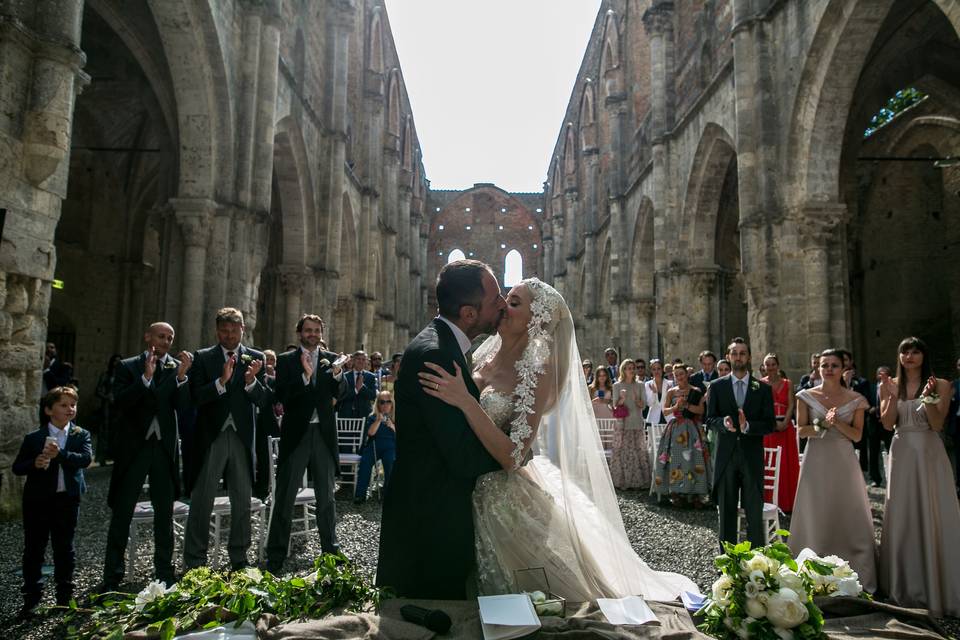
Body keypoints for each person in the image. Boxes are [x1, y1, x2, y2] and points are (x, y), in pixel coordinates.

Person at [416, 278, 697, 601]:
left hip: (499, 495)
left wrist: (466, 400)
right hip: (460, 481)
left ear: (537, 320)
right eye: (506, 299)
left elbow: (513, 456)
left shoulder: (538, 370)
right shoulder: (482, 355)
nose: (504, 306)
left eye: (515, 303)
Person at [376, 259, 504, 599]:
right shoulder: (436, 355)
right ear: (469, 314)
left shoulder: (444, 345)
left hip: (429, 513)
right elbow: (461, 456)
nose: (502, 304)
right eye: (496, 299)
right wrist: (513, 457)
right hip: (430, 524)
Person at [101, 323, 192, 591]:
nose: (165, 341)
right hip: (135, 447)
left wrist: (182, 378)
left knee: (164, 512)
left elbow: (183, 407)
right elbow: (120, 401)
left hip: (163, 448)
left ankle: (164, 571)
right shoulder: (128, 366)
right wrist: (145, 380)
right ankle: (112, 575)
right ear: (147, 336)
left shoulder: (176, 367)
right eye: (161, 336)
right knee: (123, 510)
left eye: (170, 338)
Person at [877, 337, 960, 616]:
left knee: (933, 511)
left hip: (928, 451)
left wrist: (930, 398)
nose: (909, 356)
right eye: (904, 351)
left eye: (915, 351)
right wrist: (888, 395)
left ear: (924, 356)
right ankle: (905, 586)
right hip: (901, 453)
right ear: (899, 356)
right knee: (904, 513)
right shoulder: (888, 386)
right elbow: (888, 425)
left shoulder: (942, 384)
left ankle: (938, 586)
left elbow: (937, 424)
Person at [184, 307, 268, 571]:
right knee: (202, 498)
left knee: (242, 499)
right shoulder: (204, 357)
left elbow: (264, 400)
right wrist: (221, 382)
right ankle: (196, 558)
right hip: (212, 436)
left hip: (242, 437)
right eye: (224, 330)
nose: (229, 336)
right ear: (217, 330)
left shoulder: (256, 358)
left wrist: (252, 381)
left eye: (234, 330)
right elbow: (195, 397)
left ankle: (239, 556)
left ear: (242, 329)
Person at [790, 349, 876, 592]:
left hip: (843, 460)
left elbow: (858, 436)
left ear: (843, 368)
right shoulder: (805, 395)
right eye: (824, 365)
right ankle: (810, 569)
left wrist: (837, 422)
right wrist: (821, 424)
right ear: (818, 368)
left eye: (834, 365)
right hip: (816, 459)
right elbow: (801, 431)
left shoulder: (856, 399)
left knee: (847, 510)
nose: (828, 369)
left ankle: (854, 572)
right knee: (816, 510)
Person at [265, 314, 345, 575]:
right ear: (299, 333)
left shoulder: (331, 358)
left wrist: (337, 376)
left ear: (322, 333)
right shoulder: (287, 360)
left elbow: (339, 394)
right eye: (308, 330)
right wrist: (305, 378)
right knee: (285, 496)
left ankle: (330, 552)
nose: (312, 334)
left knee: (326, 496)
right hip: (296, 434)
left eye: (316, 330)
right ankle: (276, 555)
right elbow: (281, 395)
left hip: (323, 433)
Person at [12, 387, 92, 616]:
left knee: (64, 548)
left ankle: (64, 598)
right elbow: (18, 467)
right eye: (64, 405)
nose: (70, 409)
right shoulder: (34, 438)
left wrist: (62, 455)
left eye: (73, 405)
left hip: (67, 499)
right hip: (38, 500)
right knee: (34, 548)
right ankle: (31, 598)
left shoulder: (80, 434)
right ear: (49, 410)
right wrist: (34, 464)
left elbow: (85, 459)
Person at [705, 337, 776, 549]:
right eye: (734, 353)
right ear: (728, 357)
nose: (738, 357)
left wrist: (748, 427)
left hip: (751, 455)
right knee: (726, 510)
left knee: (754, 511)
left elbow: (770, 424)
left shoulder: (761, 389)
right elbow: (709, 420)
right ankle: (728, 561)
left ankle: (757, 563)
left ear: (749, 357)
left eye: (742, 353)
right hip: (726, 455)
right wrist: (723, 423)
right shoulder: (717, 387)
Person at [653, 363, 710, 507]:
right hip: (676, 428)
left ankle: (696, 494)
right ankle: (676, 493)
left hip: (692, 428)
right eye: (676, 374)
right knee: (677, 461)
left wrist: (687, 406)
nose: (679, 377)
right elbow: (665, 411)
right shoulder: (671, 391)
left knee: (695, 460)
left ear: (687, 374)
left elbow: (701, 411)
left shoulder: (695, 390)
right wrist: (675, 407)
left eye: (681, 374)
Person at [759, 353, 799, 512]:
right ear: (763, 367)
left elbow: (791, 404)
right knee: (769, 464)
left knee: (786, 464)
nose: (770, 368)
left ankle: (788, 503)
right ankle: (769, 502)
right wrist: (773, 423)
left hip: (785, 427)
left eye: (773, 364)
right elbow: (759, 406)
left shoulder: (788, 383)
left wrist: (785, 422)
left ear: (778, 365)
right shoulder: (759, 384)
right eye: (767, 365)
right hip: (769, 428)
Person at [610, 359, 649, 490]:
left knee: (638, 451)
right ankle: (623, 481)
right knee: (624, 452)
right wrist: (621, 398)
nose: (631, 370)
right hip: (622, 423)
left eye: (633, 368)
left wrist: (636, 399)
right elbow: (615, 405)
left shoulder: (640, 385)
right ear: (623, 370)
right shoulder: (617, 385)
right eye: (628, 368)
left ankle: (638, 482)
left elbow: (643, 405)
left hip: (636, 421)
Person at [354, 390, 398, 503]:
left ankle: (388, 494)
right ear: (378, 404)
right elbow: (370, 433)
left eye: (388, 402)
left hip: (390, 447)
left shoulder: (396, 417)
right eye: (382, 402)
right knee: (365, 463)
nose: (385, 405)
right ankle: (360, 494)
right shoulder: (373, 417)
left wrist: (392, 426)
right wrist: (378, 420)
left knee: (390, 463)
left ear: (392, 403)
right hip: (374, 445)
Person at [866, 365, 894, 487]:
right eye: (880, 373)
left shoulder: (893, 387)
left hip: (888, 424)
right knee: (873, 452)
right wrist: (869, 409)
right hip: (873, 423)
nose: (882, 376)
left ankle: (893, 476)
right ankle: (874, 478)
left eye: (885, 373)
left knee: (891, 450)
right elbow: (864, 400)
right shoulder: (871, 387)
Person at [93, 354, 122, 464]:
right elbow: (98, 390)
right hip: (107, 407)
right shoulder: (105, 375)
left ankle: (115, 456)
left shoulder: (123, 375)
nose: (117, 363)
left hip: (118, 406)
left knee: (117, 431)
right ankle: (102, 457)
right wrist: (107, 396)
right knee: (105, 431)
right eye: (115, 361)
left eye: (119, 361)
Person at [338, 351, 378, 419]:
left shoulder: (371, 376)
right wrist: (356, 390)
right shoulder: (345, 376)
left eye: (363, 359)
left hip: (365, 415)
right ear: (353, 360)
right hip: (348, 415)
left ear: (366, 361)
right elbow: (341, 395)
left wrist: (362, 386)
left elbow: (373, 396)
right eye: (358, 359)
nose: (361, 361)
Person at [643, 359, 673, 428]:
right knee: (652, 438)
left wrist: (669, 393)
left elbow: (671, 403)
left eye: (658, 369)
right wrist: (654, 392)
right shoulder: (647, 384)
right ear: (651, 371)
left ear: (662, 369)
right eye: (654, 369)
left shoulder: (670, 384)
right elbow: (649, 403)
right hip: (652, 419)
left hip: (668, 418)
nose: (656, 371)